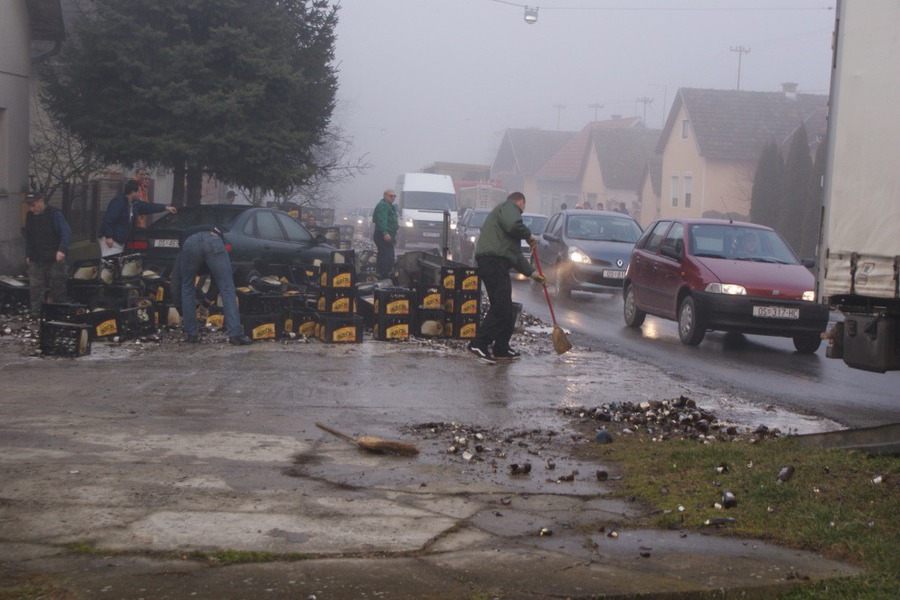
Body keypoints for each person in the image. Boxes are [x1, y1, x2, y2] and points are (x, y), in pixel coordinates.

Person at [468, 191, 545, 363]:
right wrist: (529, 235)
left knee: (506, 307)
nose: (521, 213)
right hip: (492, 261)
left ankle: (501, 348)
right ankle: (478, 343)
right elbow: (513, 224)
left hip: (497, 262)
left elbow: (515, 255)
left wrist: (533, 273)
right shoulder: (508, 207)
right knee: (501, 306)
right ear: (520, 202)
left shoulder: (505, 234)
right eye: (522, 209)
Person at [175, 225, 251, 345]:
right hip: (213, 240)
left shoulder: (184, 239)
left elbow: (177, 281)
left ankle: (191, 335)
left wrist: (179, 309)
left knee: (187, 287)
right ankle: (235, 335)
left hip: (190, 243)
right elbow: (218, 279)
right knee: (227, 287)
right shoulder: (217, 233)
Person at [23, 192, 72, 317]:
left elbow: (66, 233)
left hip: (54, 257)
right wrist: (28, 254)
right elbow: (28, 236)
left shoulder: (55, 214)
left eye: (33, 205)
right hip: (36, 256)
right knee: (35, 288)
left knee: (57, 286)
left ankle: (59, 313)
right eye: (29, 205)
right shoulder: (29, 216)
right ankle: (36, 314)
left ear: (41, 201)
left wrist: (62, 250)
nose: (31, 208)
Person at [99, 180, 176, 257]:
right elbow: (109, 219)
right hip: (111, 240)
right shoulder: (118, 202)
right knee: (109, 264)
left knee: (115, 264)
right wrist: (109, 236)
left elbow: (148, 207)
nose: (139, 194)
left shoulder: (134, 204)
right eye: (138, 192)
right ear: (133, 192)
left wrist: (165, 207)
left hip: (119, 240)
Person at [372, 189, 399, 279]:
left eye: (394, 196)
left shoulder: (389, 206)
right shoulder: (383, 206)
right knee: (386, 256)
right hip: (383, 235)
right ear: (385, 196)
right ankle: (384, 275)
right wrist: (385, 233)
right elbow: (381, 220)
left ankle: (383, 274)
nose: (393, 198)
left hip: (388, 235)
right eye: (391, 196)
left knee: (385, 254)